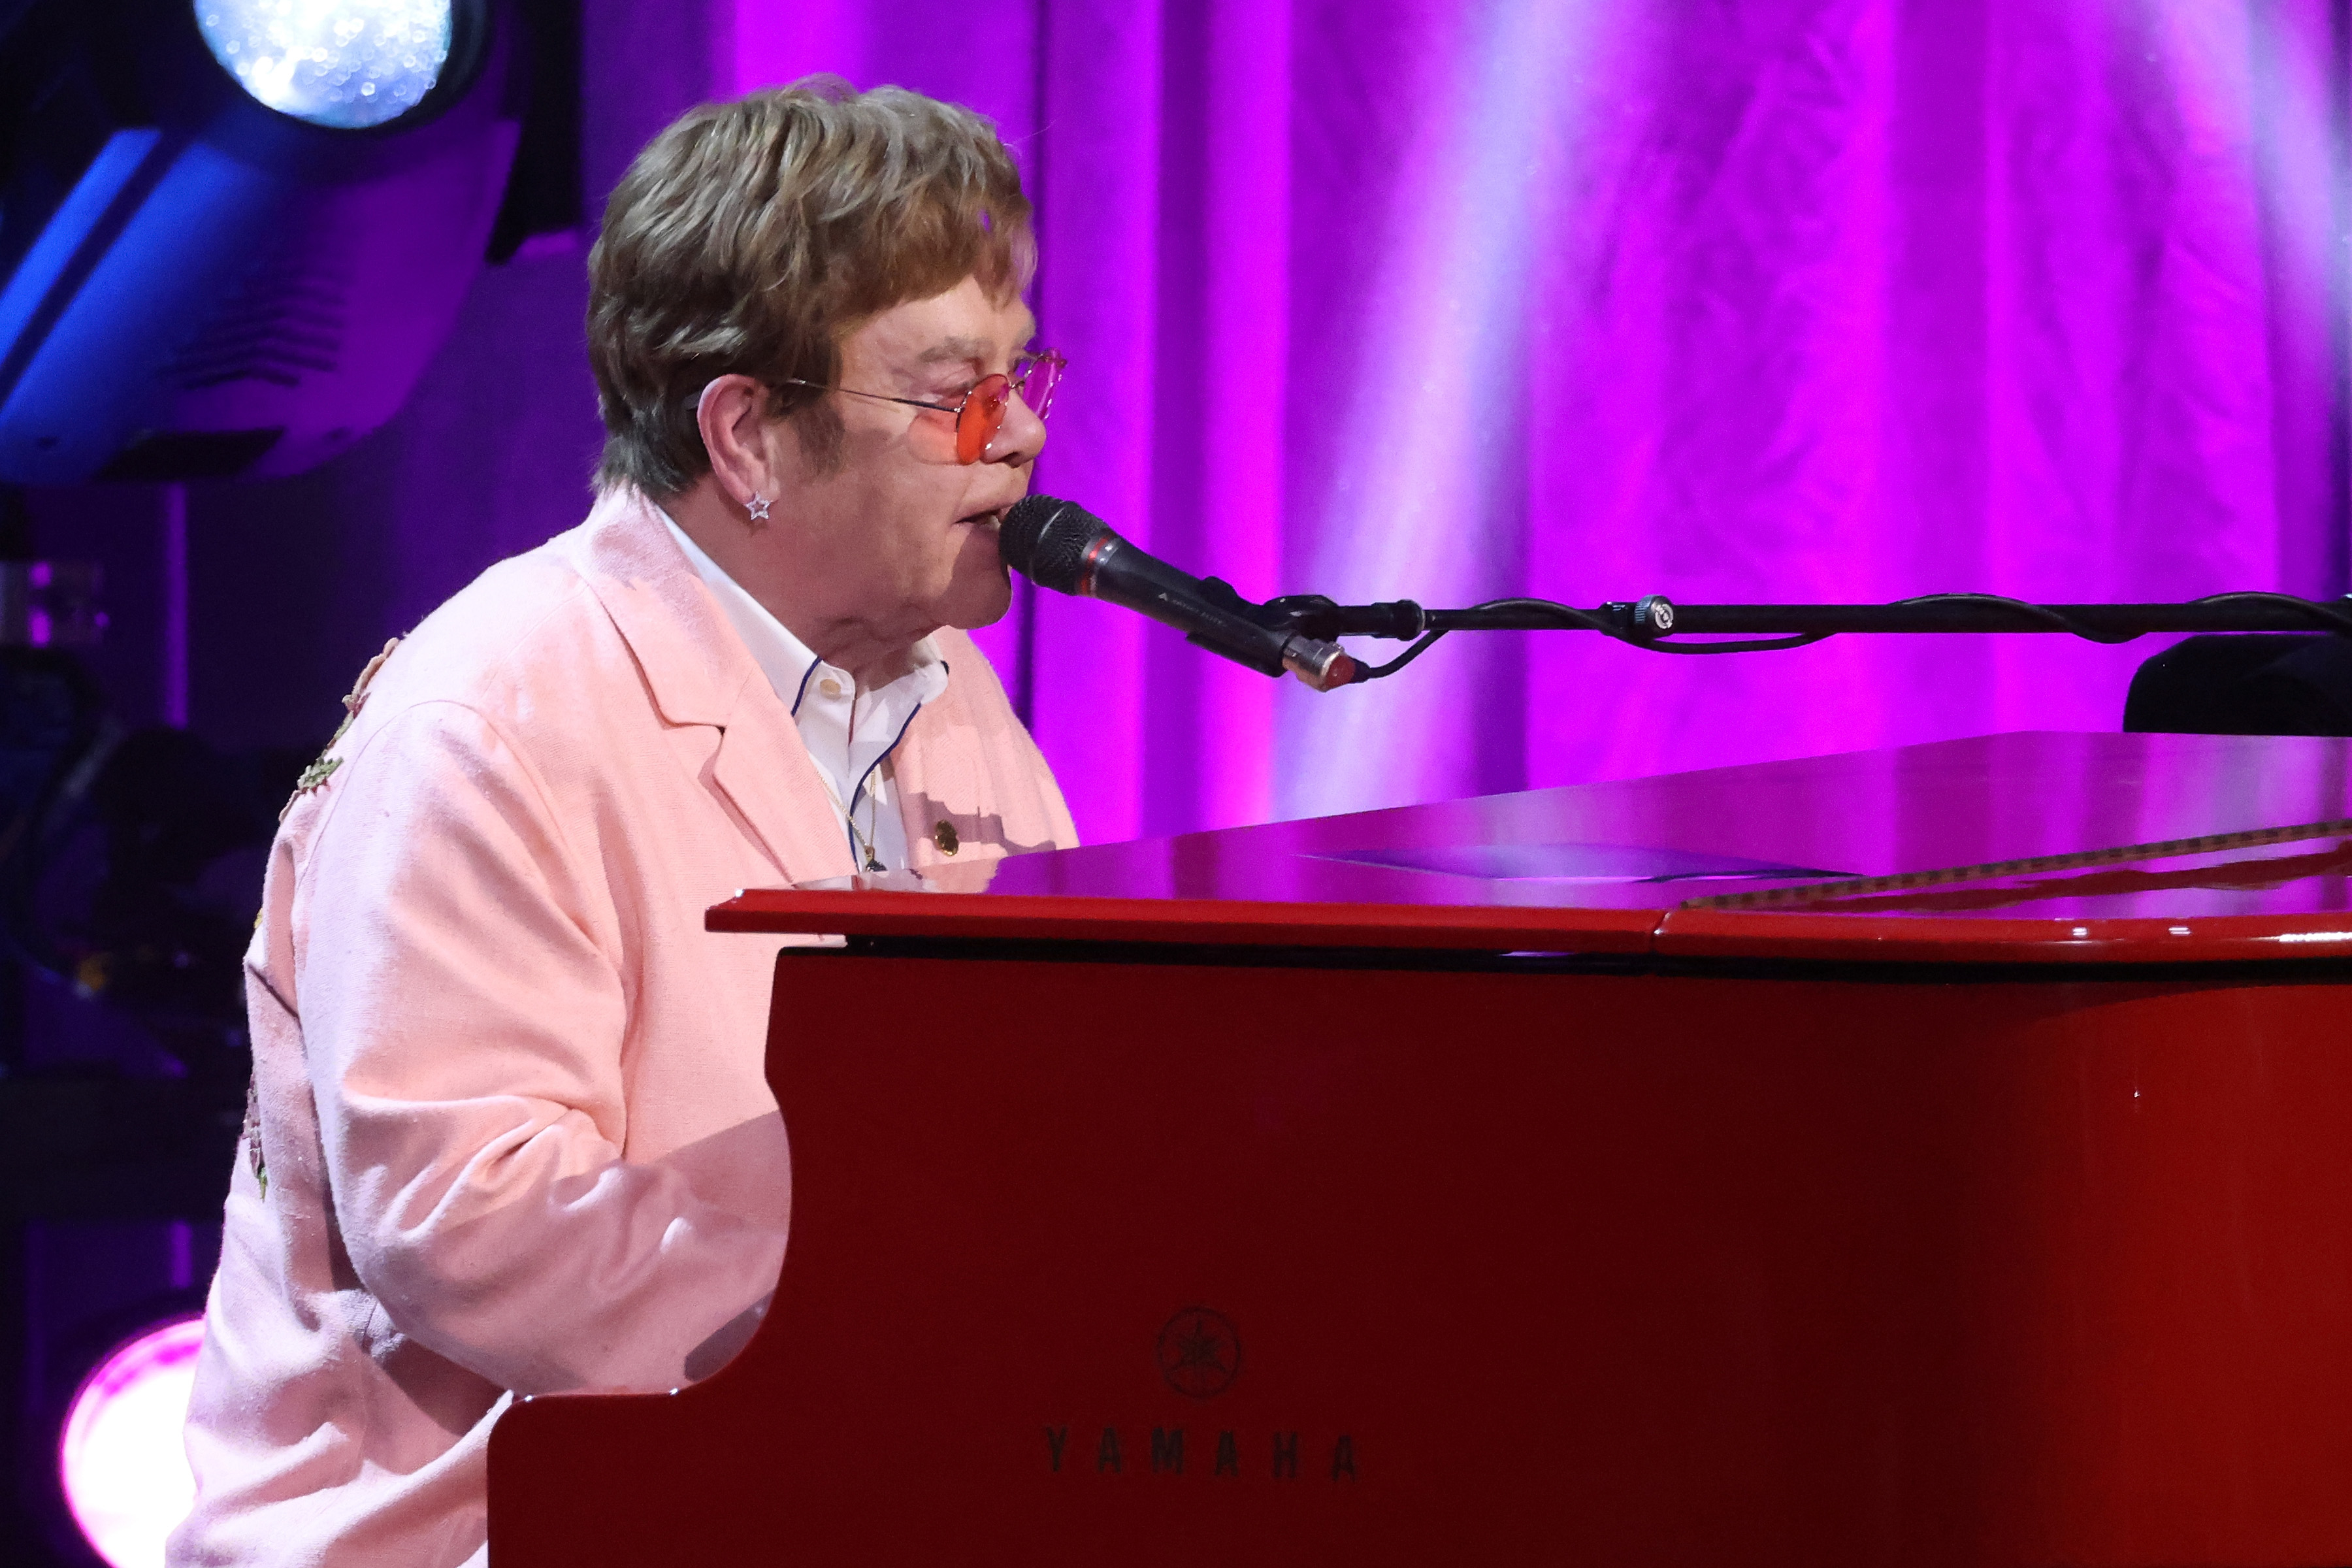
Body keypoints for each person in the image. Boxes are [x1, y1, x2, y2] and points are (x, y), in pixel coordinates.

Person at [169, 80, 1076, 1568]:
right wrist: (930, 1260)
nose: (1021, 436)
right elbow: (480, 1235)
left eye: (1023, 374)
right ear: (749, 438)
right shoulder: (488, 716)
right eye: (951, 390)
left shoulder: (946, 687)